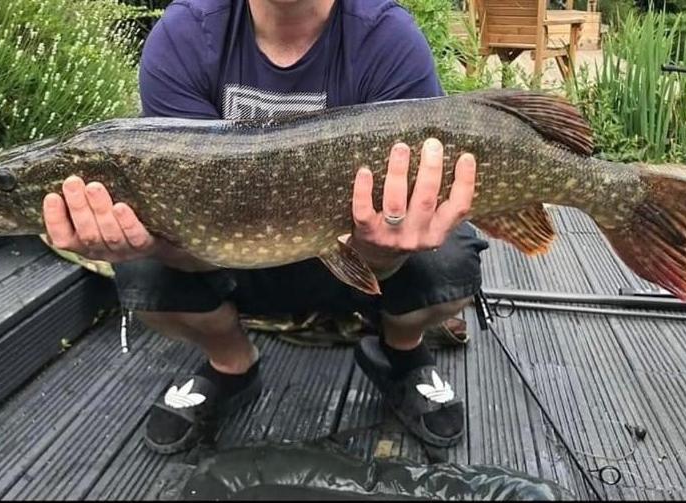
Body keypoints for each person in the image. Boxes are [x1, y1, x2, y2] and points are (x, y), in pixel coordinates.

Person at [41, 0, 489, 454]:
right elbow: (192, 236)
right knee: (141, 272)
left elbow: (415, 204)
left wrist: (384, 251)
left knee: (449, 264)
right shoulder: (186, 35)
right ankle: (232, 363)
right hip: (232, 258)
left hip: (354, 252)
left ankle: (401, 350)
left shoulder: (386, 37)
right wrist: (153, 242)